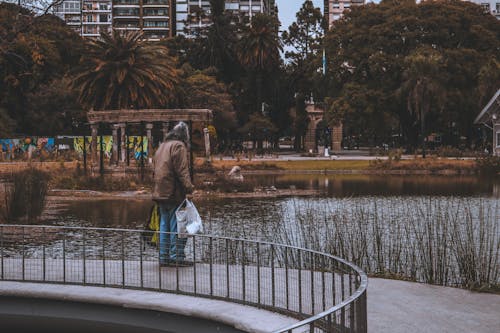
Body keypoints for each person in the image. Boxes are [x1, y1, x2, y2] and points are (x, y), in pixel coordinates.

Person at [152, 122, 194, 266]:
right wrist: (189, 188)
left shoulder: (162, 146)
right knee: (177, 226)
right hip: (173, 193)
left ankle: (164, 257)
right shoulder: (178, 146)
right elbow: (182, 170)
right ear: (185, 135)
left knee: (164, 225)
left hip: (160, 192)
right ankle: (176, 257)